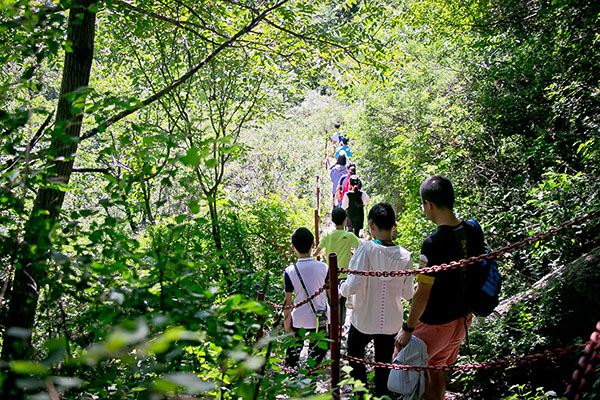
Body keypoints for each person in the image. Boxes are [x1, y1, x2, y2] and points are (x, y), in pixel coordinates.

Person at [395, 175, 486, 400]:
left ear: (430, 204)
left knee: (403, 366)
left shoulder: (433, 243)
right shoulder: (472, 230)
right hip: (462, 319)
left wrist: (407, 328)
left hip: (435, 323)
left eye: (424, 205)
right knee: (437, 368)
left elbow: (423, 293)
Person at [339, 203, 414, 397]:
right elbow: (408, 294)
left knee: (355, 354)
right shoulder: (406, 256)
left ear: (370, 225)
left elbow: (353, 284)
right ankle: (382, 394)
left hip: (363, 318)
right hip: (391, 322)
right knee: (384, 364)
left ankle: (361, 392)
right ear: (394, 226)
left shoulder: (365, 248)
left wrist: (342, 289)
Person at [283, 227, 330, 368]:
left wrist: (287, 325)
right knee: (319, 351)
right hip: (320, 319)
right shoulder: (324, 268)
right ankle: (311, 373)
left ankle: (292, 376)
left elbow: (287, 301)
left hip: (299, 320)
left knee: (293, 353)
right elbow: (332, 295)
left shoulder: (289, 271)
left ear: (293, 248)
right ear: (313, 245)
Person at [313, 207, 360, 328]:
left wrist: (325, 253)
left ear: (332, 220)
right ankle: (341, 326)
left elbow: (315, 253)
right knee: (342, 302)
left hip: (330, 276)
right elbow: (360, 249)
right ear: (345, 220)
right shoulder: (350, 236)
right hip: (345, 275)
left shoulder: (327, 235)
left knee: (331, 302)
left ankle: (332, 327)